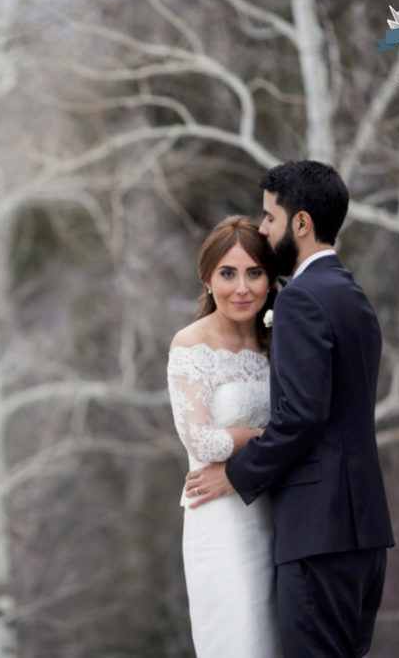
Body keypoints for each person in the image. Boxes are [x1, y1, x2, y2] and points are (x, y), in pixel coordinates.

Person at [185, 161, 395, 658]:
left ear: (300, 223)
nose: (262, 229)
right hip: (364, 532)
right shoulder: (351, 295)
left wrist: (236, 475)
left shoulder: (301, 299)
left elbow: (301, 417)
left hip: (318, 533)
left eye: (269, 218)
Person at [167, 215, 281, 657]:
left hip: (275, 514)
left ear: (270, 280)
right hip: (220, 519)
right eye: (228, 273)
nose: (242, 288)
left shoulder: (276, 345)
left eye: (254, 273)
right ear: (208, 278)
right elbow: (204, 443)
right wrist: (269, 434)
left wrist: (263, 439)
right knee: (240, 639)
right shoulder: (190, 345)